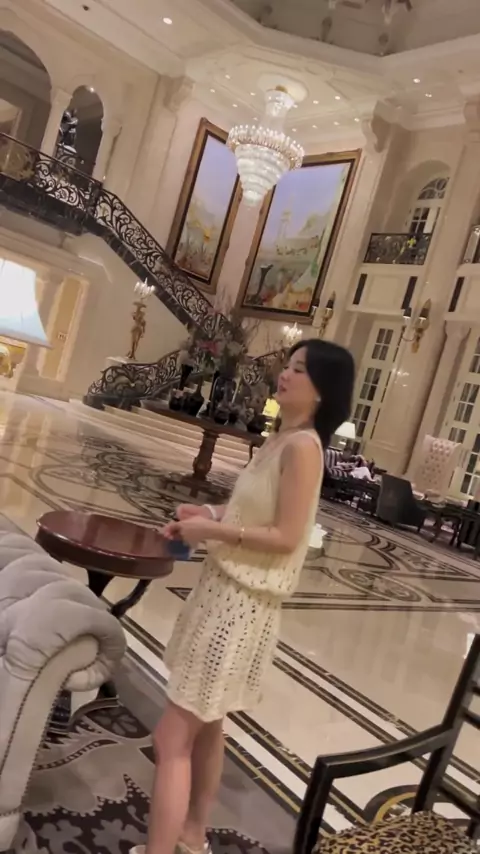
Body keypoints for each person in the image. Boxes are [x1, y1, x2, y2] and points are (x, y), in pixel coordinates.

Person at [134, 339, 355, 854]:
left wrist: (212, 533)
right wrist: (208, 515)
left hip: (240, 607)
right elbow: (250, 510)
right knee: (210, 725)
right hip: (224, 592)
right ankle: (192, 836)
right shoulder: (283, 438)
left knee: (172, 739)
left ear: (323, 391)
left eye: (300, 370)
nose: (285, 374)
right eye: (289, 365)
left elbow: (287, 536)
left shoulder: (303, 449)